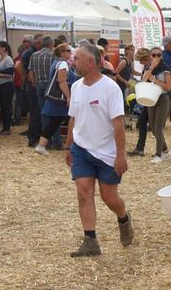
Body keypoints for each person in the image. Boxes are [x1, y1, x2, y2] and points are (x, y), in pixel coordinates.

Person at [64, 44, 132, 257]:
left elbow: (118, 123)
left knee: (109, 197)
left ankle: (123, 216)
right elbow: (73, 118)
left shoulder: (110, 88)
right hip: (81, 149)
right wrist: (68, 147)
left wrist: (121, 155)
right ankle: (90, 240)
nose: (72, 62)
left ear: (90, 63)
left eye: (76, 59)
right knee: (84, 193)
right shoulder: (76, 87)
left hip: (106, 153)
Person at [34, 44, 76, 155]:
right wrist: (68, 97)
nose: (70, 52)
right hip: (60, 98)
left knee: (54, 121)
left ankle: (42, 145)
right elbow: (62, 81)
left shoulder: (57, 62)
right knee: (57, 121)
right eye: (68, 50)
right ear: (61, 52)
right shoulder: (63, 64)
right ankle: (42, 145)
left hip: (56, 98)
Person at [141, 47, 171, 163]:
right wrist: (152, 68)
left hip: (162, 98)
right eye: (154, 55)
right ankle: (166, 150)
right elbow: (144, 80)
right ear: (150, 56)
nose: (156, 57)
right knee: (153, 129)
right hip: (151, 98)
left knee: (158, 128)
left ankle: (158, 155)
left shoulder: (166, 69)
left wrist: (154, 80)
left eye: (159, 55)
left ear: (162, 56)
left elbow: (168, 87)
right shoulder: (148, 67)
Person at [0, 41, 15, 135]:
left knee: (6, 106)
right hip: (0, 85)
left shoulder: (8, 59)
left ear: (4, 48)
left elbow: (10, 74)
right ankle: (5, 127)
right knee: (3, 106)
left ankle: (7, 128)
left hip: (6, 85)